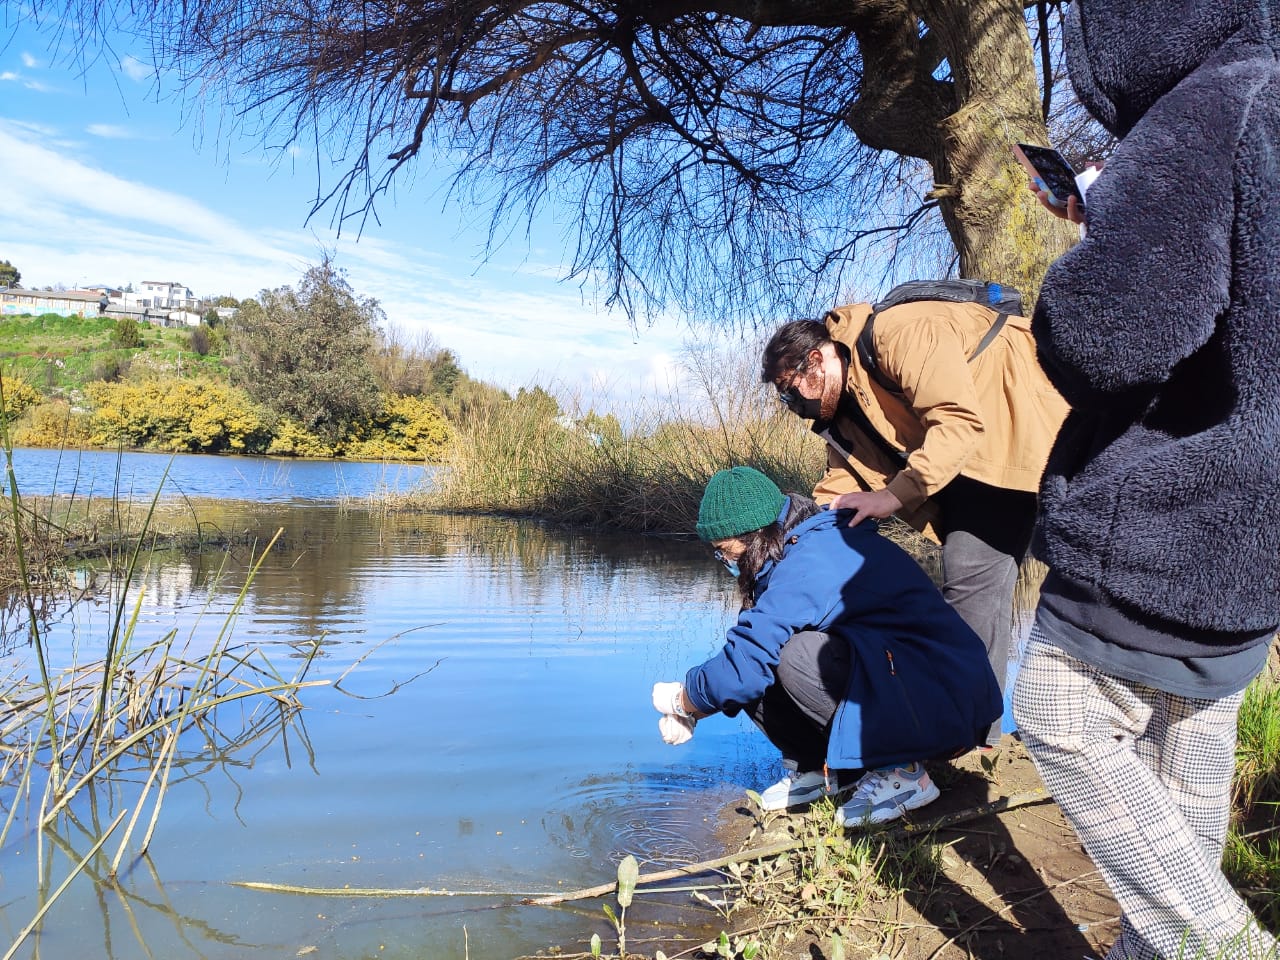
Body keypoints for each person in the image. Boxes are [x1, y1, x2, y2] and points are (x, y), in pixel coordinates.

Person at [1010, 2, 1280, 958]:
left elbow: (1109, 333)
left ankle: (1228, 949)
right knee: (1188, 758)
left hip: (1176, 515)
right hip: (1256, 545)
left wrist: (1102, 229)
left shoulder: (1213, 102)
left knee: (1058, 706)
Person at [761, 296, 1066, 747]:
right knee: (983, 592)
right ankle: (981, 733)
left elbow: (959, 422)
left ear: (817, 360)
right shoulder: (843, 410)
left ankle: (961, 736)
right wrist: (789, 545)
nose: (793, 406)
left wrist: (892, 495)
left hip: (1017, 438)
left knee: (975, 590)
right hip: (966, 467)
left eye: (791, 392)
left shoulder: (898, 331)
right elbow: (838, 489)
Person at [650, 466, 1000, 827]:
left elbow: (748, 662)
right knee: (764, 652)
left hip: (949, 703)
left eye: (725, 551)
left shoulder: (814, 558)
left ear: (755, 536)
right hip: (909, 684)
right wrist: (694, 711)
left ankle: (903, 773)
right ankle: (826, 769)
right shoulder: (786, 554)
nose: (725, 562)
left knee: (792, 655)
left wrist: (684, 700)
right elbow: (746, 655)